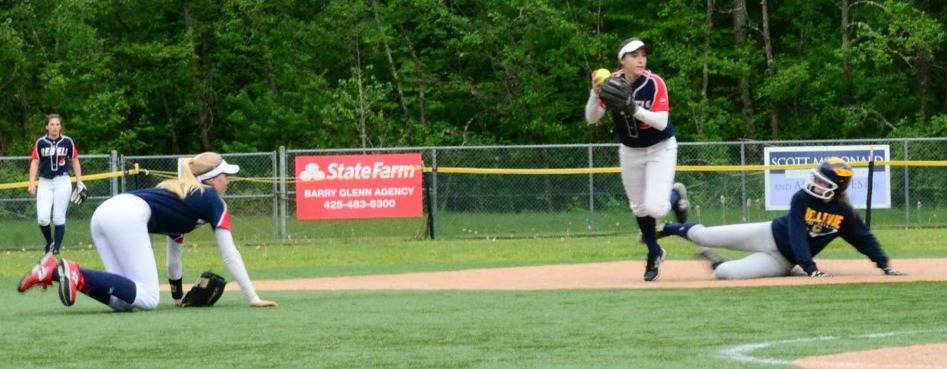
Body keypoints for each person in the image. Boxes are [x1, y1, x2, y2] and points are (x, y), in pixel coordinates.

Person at [17, 152, 278, 310]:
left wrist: (178, 298)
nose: (227, 182)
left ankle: (52, 271)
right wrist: (252, 297)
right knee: (150, 298)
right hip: (127, 215)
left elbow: (173, 258)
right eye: (225, 176)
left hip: (107, 213)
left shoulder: (182, 195)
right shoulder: (211, 199)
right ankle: (73, 271)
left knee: (123, 299)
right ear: (210, 179)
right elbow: (229, 253)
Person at [659, 158, 904, 280]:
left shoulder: (844, 214)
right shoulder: (801, 198)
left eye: (822, 182)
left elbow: (863, 239)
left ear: (836, 188)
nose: (815, 183)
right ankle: (670, 227)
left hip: (782, 260)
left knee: (726, 274)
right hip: (767, 232)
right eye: (816, 178)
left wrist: (885, 264)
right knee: (705, 235)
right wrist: (810, 268)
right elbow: (796, 233)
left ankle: (717, 261)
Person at [585, 37, 687, 281]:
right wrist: (594, 92)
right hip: (630, 150)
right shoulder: (613, 83)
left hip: (660, 148)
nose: (640, 59)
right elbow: (592, 118)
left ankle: (676, 195)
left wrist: (633, 109)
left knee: (656, 207)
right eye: (634, 55)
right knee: (639, 207)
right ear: (622, 60)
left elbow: (661, 121)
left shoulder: (654, 83)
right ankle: (654, 253)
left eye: (643, 54)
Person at [28, 113, 83, 255]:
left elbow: (75, 160)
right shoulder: (40, 142)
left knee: (59, 217)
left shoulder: (67, 141)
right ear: (47, 126)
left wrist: (79, 181)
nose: (55, 127)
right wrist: (32, 183)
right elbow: (35, 162)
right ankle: (49, 242)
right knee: (42, 218)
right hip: (45, 182)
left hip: (62, 181)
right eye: (52, 124)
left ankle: (56, 249)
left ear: (60, 126)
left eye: (57, 124)